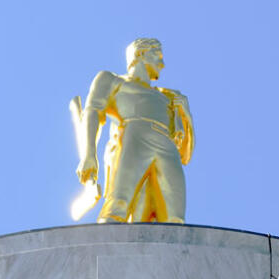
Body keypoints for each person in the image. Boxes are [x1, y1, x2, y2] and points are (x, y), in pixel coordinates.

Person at [74, 38, 194, 223]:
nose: (162, 64)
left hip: (166, 146)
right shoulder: (112, 80)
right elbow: (93, 112)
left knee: (175, 218)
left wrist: (187, 117)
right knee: (118, 205)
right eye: (157, 55)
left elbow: (185, 154)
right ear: (141, 54)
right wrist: (89, 154)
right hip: (134, 136)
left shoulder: (169, 97)